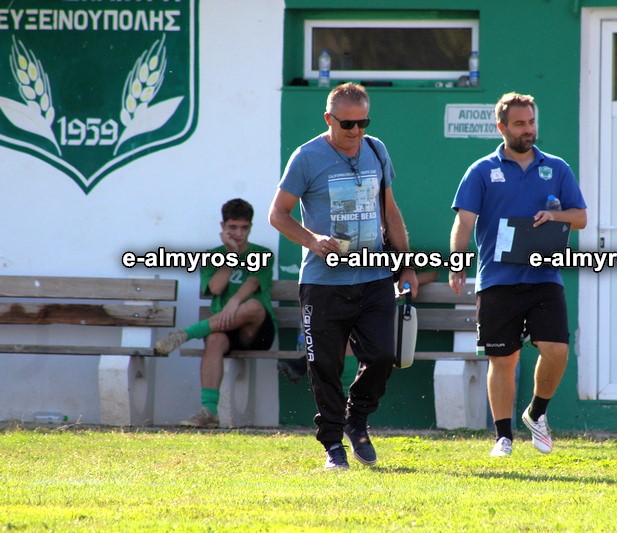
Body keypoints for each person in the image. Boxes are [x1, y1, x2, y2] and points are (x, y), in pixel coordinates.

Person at [269, 82, 418, 470]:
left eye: (362, 123)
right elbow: (278, 214)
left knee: (383, 355)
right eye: (347, 124)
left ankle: (357, 419)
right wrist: (312, 239)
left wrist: (405, 265)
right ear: (328, 119)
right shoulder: (306, 157)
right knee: (325, 367)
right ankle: (333, 444)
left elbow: (389, 211)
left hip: (374, 277)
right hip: (323, 282)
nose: (355, 131)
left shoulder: (376, 149)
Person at [449, 92, 587, 457]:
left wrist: (555, 216)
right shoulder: (481, 171)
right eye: (520, 124)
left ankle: (536, 413)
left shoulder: (557, 168)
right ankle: (503, 437)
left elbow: (581, 218)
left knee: (556, 350)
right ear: (502, 127)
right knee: (503, 359)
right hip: (498, 280)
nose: (528, 130)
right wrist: (457, 262)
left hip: (544, 277)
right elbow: (464, 222)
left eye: (532, 122)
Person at [155, 198, 277, 428]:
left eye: (244, 228)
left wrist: (234, 302)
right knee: (213, 340)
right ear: (222, 226)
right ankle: (209, 411)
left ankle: (187, 334)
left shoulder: (263, 253)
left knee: (253, 306)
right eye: (233, 227)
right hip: (225, 328)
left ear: (250, 227)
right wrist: (231, 254)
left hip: (257, 331)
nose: (238, 233)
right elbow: (216, 288)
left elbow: (253, 282)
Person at [276, 268, 439, 384]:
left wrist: (398, 285)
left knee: (348, 335)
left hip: (385, 318)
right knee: (342, 328)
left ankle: (306, 366)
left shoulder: (402, 251)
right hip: (359, 312)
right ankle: (340, 399)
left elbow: (432, 273)